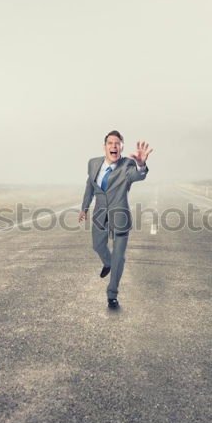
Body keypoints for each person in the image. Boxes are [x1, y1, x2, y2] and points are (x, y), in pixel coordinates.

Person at [78, 130, 153, 309]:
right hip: (99, 215)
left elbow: (137, 175)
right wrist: (84, 207)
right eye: (110, 143)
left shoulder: (127, 165)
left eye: (117, 143)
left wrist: (141, 165)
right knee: (97, 246)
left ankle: (112, 294)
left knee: (119, 256)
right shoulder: (93, 163)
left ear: (121, 148)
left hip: (120, 217)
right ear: (104, 147)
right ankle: (108, 263)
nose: (114, 146)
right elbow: (90, 186)